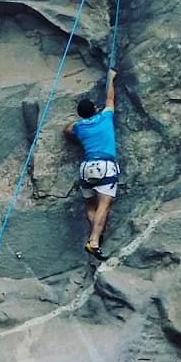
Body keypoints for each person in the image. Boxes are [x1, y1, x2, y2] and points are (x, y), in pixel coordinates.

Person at [63, 68, 119, 260]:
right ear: (95, 109)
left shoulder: (79, 127)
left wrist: (78, 133)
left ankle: (96, 234)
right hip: (105, 165)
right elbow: (110, 99)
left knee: (90, 205)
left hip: (86, 167)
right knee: (104, 205)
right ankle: (94, 241)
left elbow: (67, 130)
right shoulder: (105, 118)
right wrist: (111, 78)